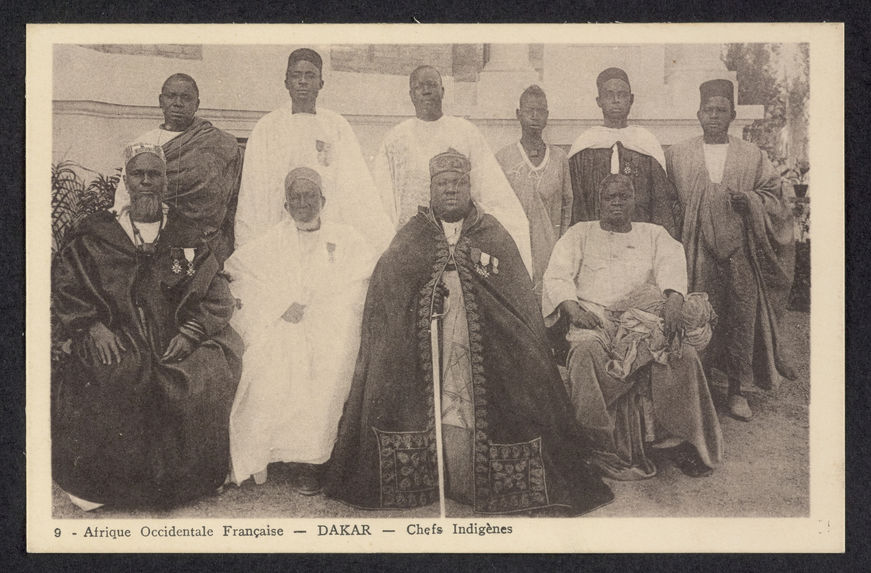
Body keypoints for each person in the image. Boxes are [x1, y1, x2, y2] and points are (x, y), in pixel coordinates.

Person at [325, 150, 613, 516]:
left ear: (469, 187)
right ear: (431, 189)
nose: (450, 191)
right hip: (425, 355)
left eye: (458, 183)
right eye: (443, 183)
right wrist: (424, 300)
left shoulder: (492, 233)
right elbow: (387, 293)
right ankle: (431, 477)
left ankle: (476, 481)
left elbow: (517, 304)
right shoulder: (411, 236)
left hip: (487, 360)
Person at [51, 143, 243, 510]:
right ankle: (108, 489)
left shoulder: (186, 235)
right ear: (126, 180)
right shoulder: (96, 233)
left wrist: (191, 333)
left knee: (204, 372)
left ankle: (186, 484)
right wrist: (91, 326)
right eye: (138, 174)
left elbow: (216, 294)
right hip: (117, 333)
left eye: (154, 174)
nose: (146, 182)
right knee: (113, 371)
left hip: (177, 335)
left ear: (165, 182)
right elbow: (67, 285)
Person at [543, 174, 723, 480]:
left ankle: (681, 441)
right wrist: (573, 310)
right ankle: (598, 445)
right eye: (609, 197)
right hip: (594, 317)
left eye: (623, 197)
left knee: (683, 354)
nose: (616, 203)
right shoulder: (579, 233)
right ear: (599, 202)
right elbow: (557, 276)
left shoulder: (653, 234)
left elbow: (671, 266)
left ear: (634, 200)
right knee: (585, 352)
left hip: (643, 317)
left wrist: (674, 300)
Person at [224, 166, 376, 494]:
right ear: (285, 205)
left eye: (310, 196)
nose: (303, 203)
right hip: (281, 327)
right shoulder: (270, 242)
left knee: (331, 367)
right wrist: (280, 304)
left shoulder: (346, 238)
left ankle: (313, 461)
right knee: (267, 369)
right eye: (296, 197)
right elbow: (238, 276)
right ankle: (274, 457)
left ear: (323, 200)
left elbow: (363, 280)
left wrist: (327, 310)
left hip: (332, 326)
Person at [666, 79, 796, 421]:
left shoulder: (752, 156)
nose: (713, 116)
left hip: (740, 252)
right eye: (707, 110)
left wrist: (750, 201)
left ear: (732, 115)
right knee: (698, 317)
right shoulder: (678, 154)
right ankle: (702, 389)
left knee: (740, 316)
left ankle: (738, 391)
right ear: (698, 114)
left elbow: (776, 196)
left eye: (720, 110)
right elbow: (668, 203)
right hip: (695, 251)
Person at [372, 65, 533, 275]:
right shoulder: (396, 139)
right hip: (412, 242)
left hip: (459, 240)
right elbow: (383, 201)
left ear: (443, 91)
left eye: (432, 85)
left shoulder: (465, 132)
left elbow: (490, 189)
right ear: (411, 95)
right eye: (419, 87)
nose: (426, 91)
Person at [234, 48, 393, 252]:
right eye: (296, 75)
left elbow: (356, 184)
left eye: (310, 76)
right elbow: (254, 191)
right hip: (279, 222)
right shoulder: (268, 127)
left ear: (321, 83)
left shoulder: (336, 126)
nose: (302, 81)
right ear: (286, 82)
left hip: (327, 223)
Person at [111, 73, 243, 263]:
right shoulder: (142, 143)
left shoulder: (220, 144)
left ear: (197, 104)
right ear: (161, 101)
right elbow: (124, 199)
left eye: (186, 98)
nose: (178, 103)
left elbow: (233, 201)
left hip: (206, 244)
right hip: (153, 237)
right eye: (171, 96)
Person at [568, 67, 681, 238]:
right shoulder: (584, 147)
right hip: (594, 241)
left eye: (622, 94)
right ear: (599, 101)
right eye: (609, 95)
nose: (616, 100)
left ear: (631, 99)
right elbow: (577, 206)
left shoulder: (646, 145)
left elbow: (661, 205)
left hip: (640, 242)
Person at [496, 85, 573, 297]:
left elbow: (568, 204)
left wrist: (561, 245)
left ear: (547, 116)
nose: (534, 116)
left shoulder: (559, 158)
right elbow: (496, 207)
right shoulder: (503, 158)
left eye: (540, 111)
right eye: (529, 110)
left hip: (551, 250)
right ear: (518, 115)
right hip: (514, 249)